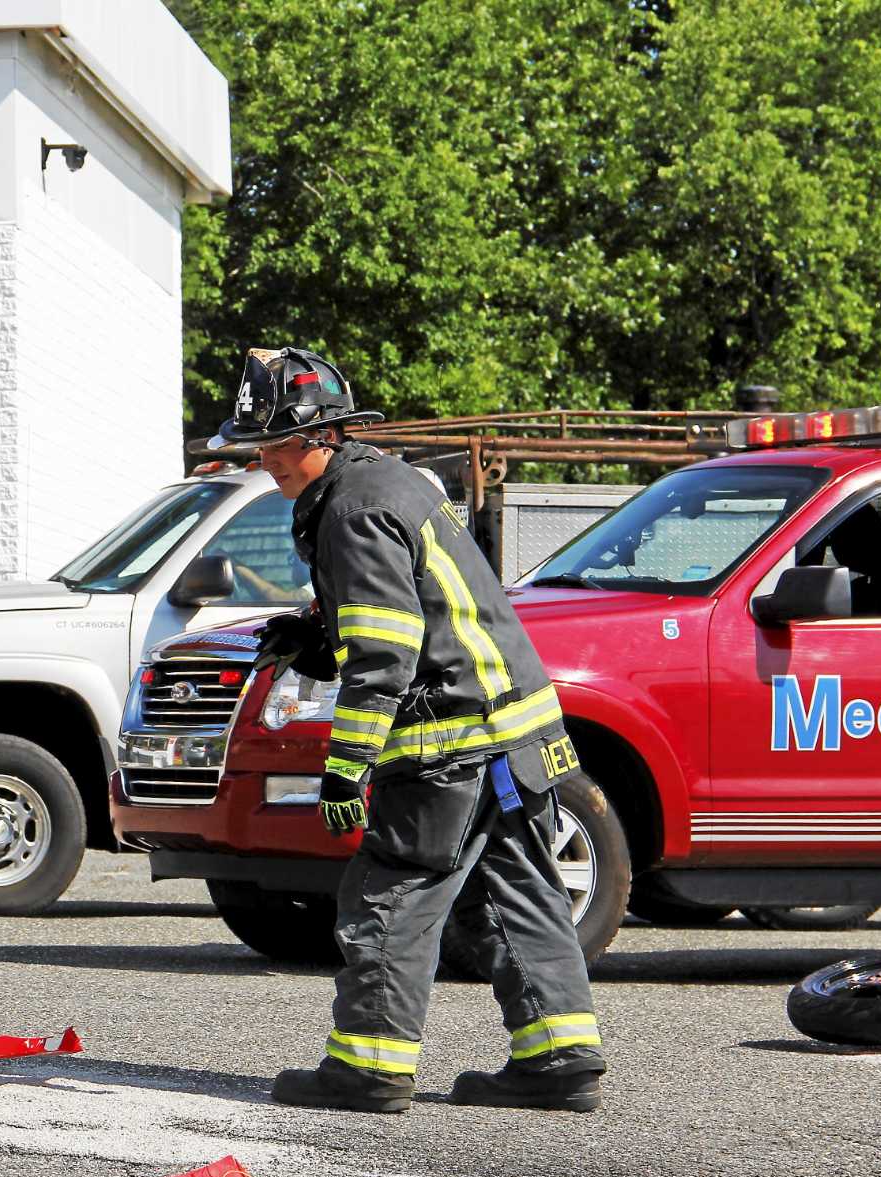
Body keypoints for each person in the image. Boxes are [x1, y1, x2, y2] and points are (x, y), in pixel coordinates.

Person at [211, 345, 606, 1115]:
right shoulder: (382, 484)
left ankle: (369, 1066)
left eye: (275, 445)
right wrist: (317, 639)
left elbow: (387, 655)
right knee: (514, 891)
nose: (265, 462)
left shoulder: (352, 509)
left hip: (447, 743)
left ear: (321, 434)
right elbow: (413, 618)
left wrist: (344, 767)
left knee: (390, 893)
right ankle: (560, 1056)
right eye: (257, 448)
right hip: (515, 737)